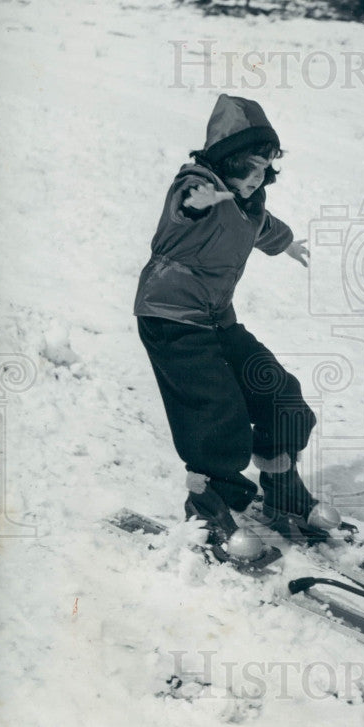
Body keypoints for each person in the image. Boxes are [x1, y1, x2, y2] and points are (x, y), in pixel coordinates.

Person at [134, 94, 339, 562]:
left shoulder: (248, 203)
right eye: (246, 168)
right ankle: (210, 505)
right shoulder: (196, 187)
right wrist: (199, 199)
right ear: (224, 160)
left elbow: (262, 226)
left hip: (215, 319)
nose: (255, 179)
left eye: (264, 170)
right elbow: (186, 205)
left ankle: (280, 485)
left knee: (279, 393)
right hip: (170, 318)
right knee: (216, 414)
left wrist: (286, 244)